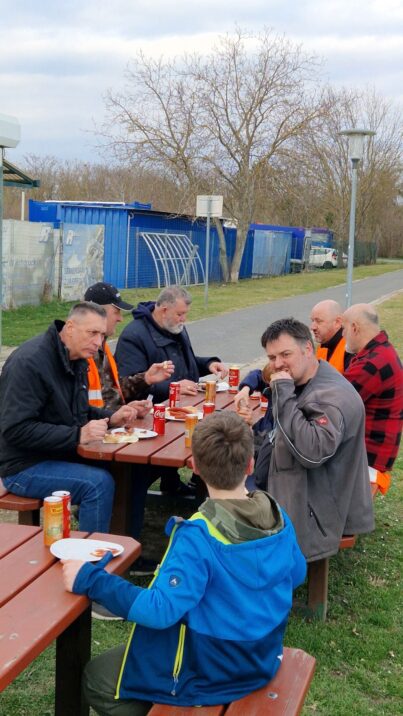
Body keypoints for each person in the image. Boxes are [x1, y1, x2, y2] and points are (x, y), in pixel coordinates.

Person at [62, 411, 306, 714]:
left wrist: (90, 579)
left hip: (211, 671)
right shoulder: (277, 515)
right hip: (261, 657)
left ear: (194, 467)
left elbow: (159, 610)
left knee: (98, 678)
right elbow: (297, 574)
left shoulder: (199, 535)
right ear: (250, 464)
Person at [0, 303, 138, 532]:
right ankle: (90, 553)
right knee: (97, 484)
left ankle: (124, 540)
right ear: (70, 327)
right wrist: (78, 435)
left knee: (127, 466)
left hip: (57, 452)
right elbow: (15, 429)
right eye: (92, 333)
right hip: (22, 465)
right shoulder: (29, 362)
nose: (98, 342)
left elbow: (78, 410)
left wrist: (112, 417)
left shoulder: (76, 357)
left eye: (102, 335)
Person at [260, 317, 374, 562]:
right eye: (272, 357)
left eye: (285, 354)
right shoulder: (307, 377)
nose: (278, 364)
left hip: (316, 511)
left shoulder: (332, 397)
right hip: (298, 489)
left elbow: (311, 452)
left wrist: (282, 393)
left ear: (308, 349)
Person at [115, 285, 227, 402]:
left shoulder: (175, 327)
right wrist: (173, 388)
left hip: (186, 402)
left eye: (185, 314)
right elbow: (131, 385)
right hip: (155, 407)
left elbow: (185, 364)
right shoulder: (133, 336)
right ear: (164, 311)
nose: (184, 319)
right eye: (179, 314)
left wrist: (208, 364)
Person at [84, 282, 175, 410]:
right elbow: (81, 409)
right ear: (97, 312)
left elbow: (110, 390)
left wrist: (145, 378)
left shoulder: (102, 346)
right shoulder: (79, 352)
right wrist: (117, 414)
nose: (120, 318)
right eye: (116, 312)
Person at [343, 303, 403, 494]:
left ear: (354, 328)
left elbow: (335, 400)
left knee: (351, 512)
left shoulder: (372, 363)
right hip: (374, 454)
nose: (343, 335)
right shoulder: (382, 351)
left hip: (367, 458)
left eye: (344, 329)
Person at [310, 299, 351, 373]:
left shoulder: (350, 348)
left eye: (318, 321)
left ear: (337, 322)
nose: (312, 327)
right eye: (312, 321)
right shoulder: (323, 345)